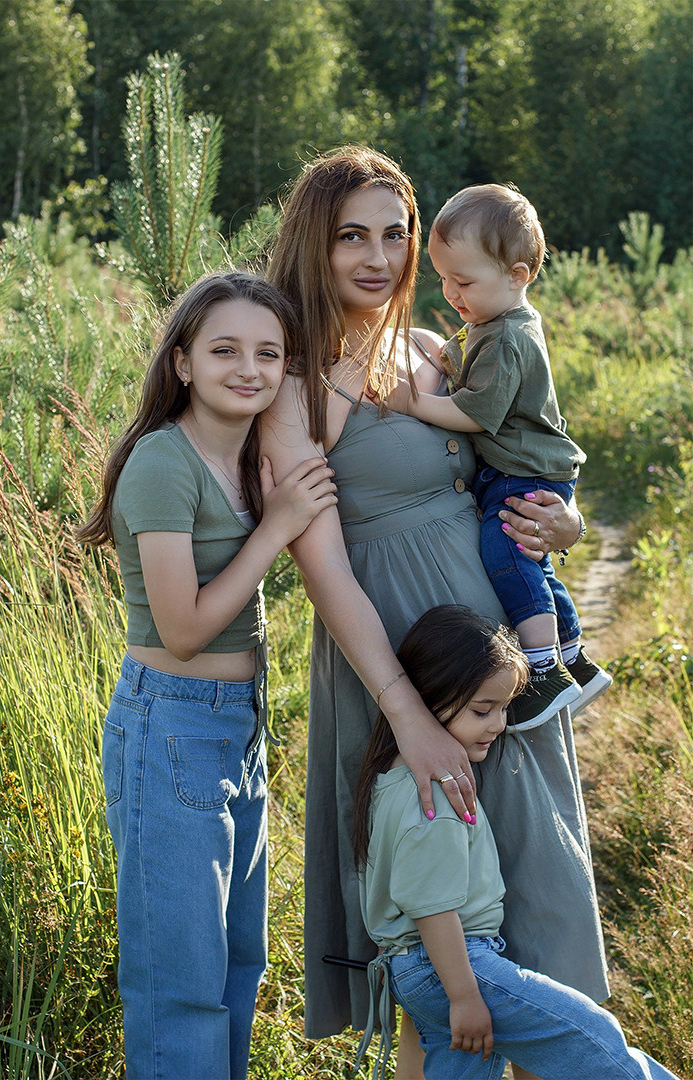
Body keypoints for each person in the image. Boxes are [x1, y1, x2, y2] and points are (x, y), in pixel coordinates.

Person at [262, 147, 609, 1079]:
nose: (377, 257)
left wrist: (565, 523)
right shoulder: (291, 382)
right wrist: (407, 717)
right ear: (315, 243)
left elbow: (519, 458)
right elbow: (323, 567)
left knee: (538, 906)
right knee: (434, 935)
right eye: (351, 236)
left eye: (395, 233)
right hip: (397, 664)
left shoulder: (431, 350)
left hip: (497, 653)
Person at [76, 272, 337, 1080]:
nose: (248, 368)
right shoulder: (165, 463)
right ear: (183, 362)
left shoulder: (252, 460)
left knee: (236, 965)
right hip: (173, 723)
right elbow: (184, 629)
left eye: (269, 353)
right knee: (179, 985)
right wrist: (280, 528)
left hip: (239, 725)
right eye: (225, 350)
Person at [353, 605, 679, 1080]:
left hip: (429, 970)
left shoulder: (399, 776)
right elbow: (432, 909)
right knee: (588, 1035)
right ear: (425, 699)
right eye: (483, 710)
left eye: (504, 707)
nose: (499, 723)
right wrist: (464, 996)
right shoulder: (434, 799)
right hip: (452, 965)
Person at [370, 183, 612, 729]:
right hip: (524, 468)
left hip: (523, 471)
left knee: (507, 553)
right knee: (532, 562)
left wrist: (413, 400)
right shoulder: (489, 321)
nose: (451, 292)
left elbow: (476, 413)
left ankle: (544, 670)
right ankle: (575, 656)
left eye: (464, 281)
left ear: (517, 275)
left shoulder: (505, 336)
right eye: (443, 278)